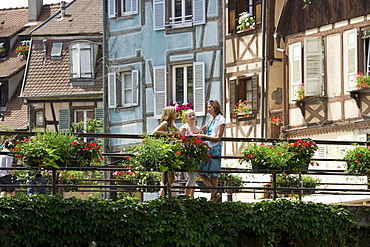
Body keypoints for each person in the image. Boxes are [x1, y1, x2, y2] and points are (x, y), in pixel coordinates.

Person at [195, 99, 226, 202]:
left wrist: (204, 136)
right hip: (208, 147)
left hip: (215, 147)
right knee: (200, 171)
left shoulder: (221, 120)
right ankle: (214, 193)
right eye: (207, 107)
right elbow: (205, 130)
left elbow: (218, 138)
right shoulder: (211, 120)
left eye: (209, 107)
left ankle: (213, 197)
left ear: (215, 107)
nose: (208, 109)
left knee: (214, 173)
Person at [152, 106, 180, 196]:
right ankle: (163, 196)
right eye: (175, 112)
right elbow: (154, 132)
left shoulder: (172, 124)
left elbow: (179, 132)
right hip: (165, 151)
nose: (176, 114)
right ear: (170, 114)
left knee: (170, 177)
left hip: (170, 151)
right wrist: (168, 133)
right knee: (166, 177)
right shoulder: (165, 123)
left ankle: (164, 196)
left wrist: (174, 133)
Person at [180, 109, 203, 199]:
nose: (192, 117)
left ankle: (191, 197)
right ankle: (186, 198)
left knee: (194, 176)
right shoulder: (184, 128)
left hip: (197, 155)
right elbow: (180, 141)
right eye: (190, 116)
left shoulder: (199, 129)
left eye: (193, 115)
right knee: (192, 177)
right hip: (188, 155)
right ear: (186, 119)